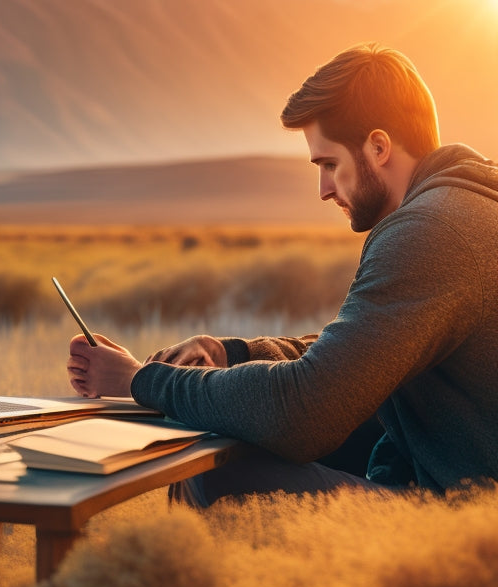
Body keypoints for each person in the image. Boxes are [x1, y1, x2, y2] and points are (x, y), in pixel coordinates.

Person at [66, 42, 498, 505]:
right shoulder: (465, 207)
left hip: (467, 524)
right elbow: (363, 352)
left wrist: (138, 381)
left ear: (378, 146)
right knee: (246, 429)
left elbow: (303, 412)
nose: (323, 189)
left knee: (219, 478)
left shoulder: (430, 231)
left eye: (330, 165)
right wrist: (232, 353)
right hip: (448, 478)